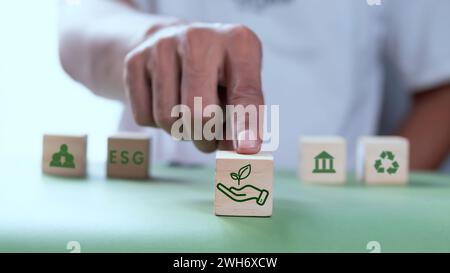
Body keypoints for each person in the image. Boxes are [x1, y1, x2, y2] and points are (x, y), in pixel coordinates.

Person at [58, 0, 450, 170]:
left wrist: (372, 197)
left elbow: (441, 83)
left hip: (332, 196)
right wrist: (151, 38)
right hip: (166, 187)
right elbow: (81, 24)